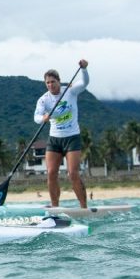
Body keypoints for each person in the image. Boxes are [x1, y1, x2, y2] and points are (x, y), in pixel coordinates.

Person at [33, 61, 90, 209]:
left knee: (73, 174)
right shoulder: (44, 99)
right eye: (47, 83)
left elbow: (84, 83)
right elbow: (36, 117)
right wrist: (43, 119)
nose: (50, 85)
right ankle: (55, 207)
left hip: (72, 138)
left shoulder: (69, 91)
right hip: (54, 139)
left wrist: (83, 69)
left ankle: (83, 206)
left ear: (59, 81)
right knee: (51, 173)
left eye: (53, 82)